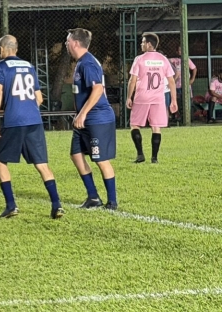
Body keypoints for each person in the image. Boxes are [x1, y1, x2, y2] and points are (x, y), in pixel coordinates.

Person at [0, 35, 63, 219]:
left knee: (1, 161)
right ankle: (57, 205)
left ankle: (11, 205)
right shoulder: (29, 66)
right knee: (42, 165)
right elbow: (39, 98)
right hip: (34, 121)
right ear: (16, 49)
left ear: (1, 49)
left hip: (14, 121)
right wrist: (27, 109)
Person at [66, 28, 118, 210]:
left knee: (100, 159)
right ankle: (93, 197)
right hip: (85, 119)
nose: (66, 45)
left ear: (75, 43)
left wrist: (82, 113)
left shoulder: (87, 63)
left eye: (67, 41)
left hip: (97, 118)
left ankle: (112, 202)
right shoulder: (82, 62)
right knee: (76, 154)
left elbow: (97, 90)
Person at [126, 33, 177, 163]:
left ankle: (140, 155)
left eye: (143, 42)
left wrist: (129, 97)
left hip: (142, 97)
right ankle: (154, 158)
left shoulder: (139, 59)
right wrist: (174, 100)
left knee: (134, 125)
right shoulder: (163, 59)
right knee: (156, 127)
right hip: (158, 98)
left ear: (149, 44)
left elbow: (132, 80)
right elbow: (171, 81)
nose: (141, 44)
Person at [167, 51, 196, 121]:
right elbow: (167, 60)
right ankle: (178, 117)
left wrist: (192, 79)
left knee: (188, 101)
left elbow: (194, 68)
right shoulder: (174, 60)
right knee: (178, 101)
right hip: (176, 85)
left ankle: (189, 117)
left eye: (181, 50)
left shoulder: (187, 59)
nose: (180, 52)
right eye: (179, 50)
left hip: (185, 85)